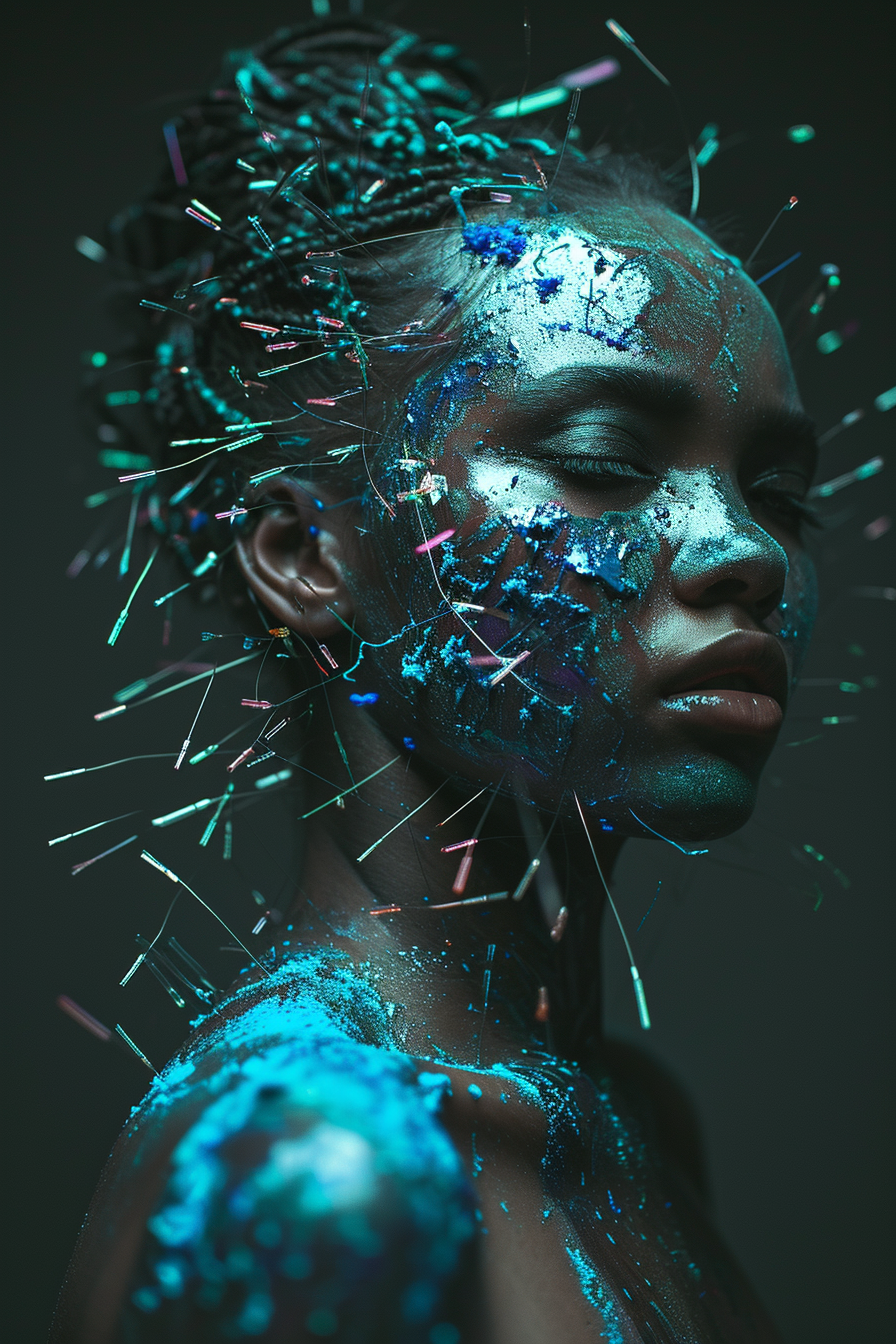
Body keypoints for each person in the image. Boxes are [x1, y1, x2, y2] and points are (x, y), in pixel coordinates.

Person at [52, 16, 819, 1342]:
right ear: (308, 554)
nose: (744, 548)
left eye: (775, 491)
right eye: (602, 454)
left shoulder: (629, 1120)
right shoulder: (317, 1175)